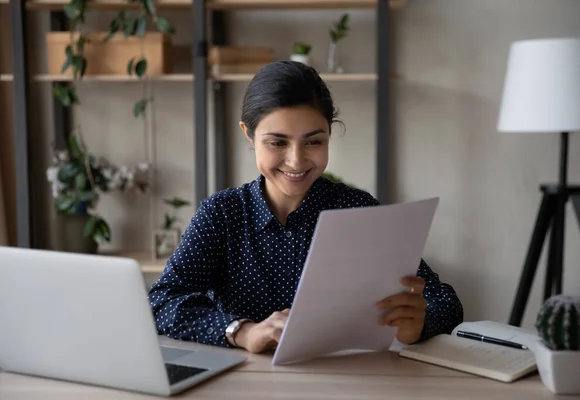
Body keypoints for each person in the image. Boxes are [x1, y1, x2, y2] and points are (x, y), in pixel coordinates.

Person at [148, 60, 463, 354]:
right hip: (243, 380)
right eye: (277, 142)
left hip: (346, 378)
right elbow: (162, 301)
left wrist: (418, 323)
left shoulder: (358, 211)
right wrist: (242, 331)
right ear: (248, 134)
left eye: (314, 141)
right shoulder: (222, 214)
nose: (296, 161)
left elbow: (444, 300)